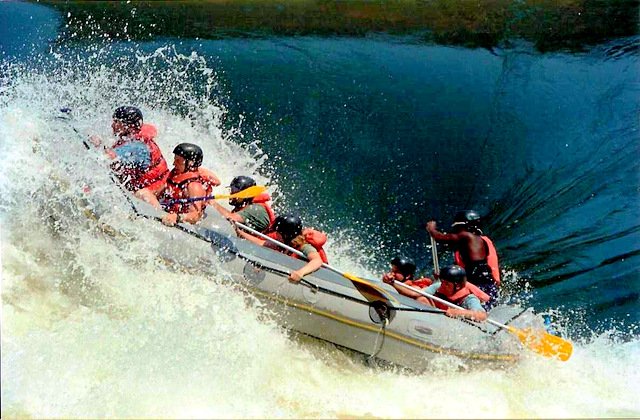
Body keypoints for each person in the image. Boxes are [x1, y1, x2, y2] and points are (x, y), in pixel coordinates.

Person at [90, 106, 169, 203]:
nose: (112, 125)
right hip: (149, 184)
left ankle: (159, 212)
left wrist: (99, 145)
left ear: (128, 126)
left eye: (116, 122)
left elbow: (109, 157)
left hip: (157, 190)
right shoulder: (131, 137)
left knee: (141, 194)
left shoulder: (137, 146)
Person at [426, 210, 501, 306]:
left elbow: (441, 238)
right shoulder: (478, 241)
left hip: (477, 280)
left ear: (465, 226)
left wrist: (432, 230)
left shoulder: (466, 236)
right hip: (486, 282)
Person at [143, 143, 218, 226]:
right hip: (168, 209)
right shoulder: (176, 173)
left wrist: (177, 217)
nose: (174, 163)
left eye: (178, 161)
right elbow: (158, 192)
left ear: (190, 163)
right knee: (143, 193)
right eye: (175, 159)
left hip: (179, 216)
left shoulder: (194, 186)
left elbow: (196, 216)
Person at [239, 214, 327, 283]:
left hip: (315, 279)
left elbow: (317, 260)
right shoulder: (283, 243)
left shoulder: (304, 246)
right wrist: (239, 232)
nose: (275, 234)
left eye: (278, 233)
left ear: (286, 235)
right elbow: (261, 243)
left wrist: (300, 273)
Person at [208, 175, 275, 234]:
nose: (231, 193)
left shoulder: (255, 209)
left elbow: (232, 218)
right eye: (231, 190)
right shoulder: (244, 207)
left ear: (246, 195)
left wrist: (213, 203)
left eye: (234, 190)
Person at [421, 265, 488, 321]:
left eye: (447, 284)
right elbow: (418, 293)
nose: (442, 285)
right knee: (422, 299)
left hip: (453, 322)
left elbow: (482, 315)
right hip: (436, 319)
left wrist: (457, 312)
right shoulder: (439, 286)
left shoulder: (469, 299)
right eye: (442, 281)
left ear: (457, 286)